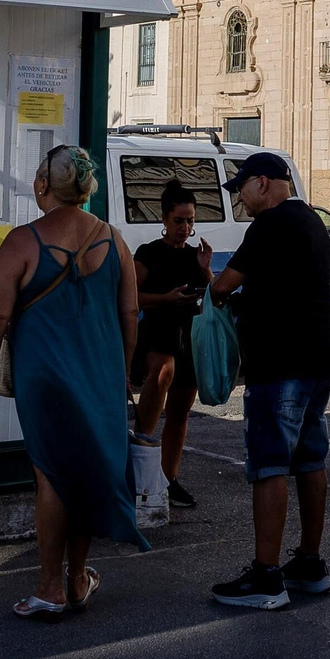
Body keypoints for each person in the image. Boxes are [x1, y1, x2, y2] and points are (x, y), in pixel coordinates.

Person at [0, 145, 148, 619]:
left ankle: (50, 585)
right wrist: (121, 371)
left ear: (44, 186)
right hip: (100, 376)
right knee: (87, 470)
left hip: (43, 378)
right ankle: (76, 578)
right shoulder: (114, 240)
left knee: (51, 474)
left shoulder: (22, 242)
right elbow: (130, 313)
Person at [208, 152, 330, 610]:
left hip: (278, 363)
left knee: (270, 464)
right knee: (310, 460)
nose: (239, 198)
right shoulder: (312, 221)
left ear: (262, 183)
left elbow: (223, 287)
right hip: (318, 356)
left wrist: (211, 279)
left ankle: (266, 576)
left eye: (241, 188)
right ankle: (309, 562)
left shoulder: (269, 226)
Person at [131, 180, 213, 509]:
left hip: (188, 335)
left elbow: (215, 299)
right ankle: (141, 459)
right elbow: (131, 297)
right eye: (179, 220)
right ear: (164, 219)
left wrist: (206, 272)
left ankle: (168, 477)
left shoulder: (197, 256)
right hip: (157, 333)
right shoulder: (148, 253)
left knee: (180, 413)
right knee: (163, 370)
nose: (185, 227)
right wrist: (164, 298)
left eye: (190, 220)